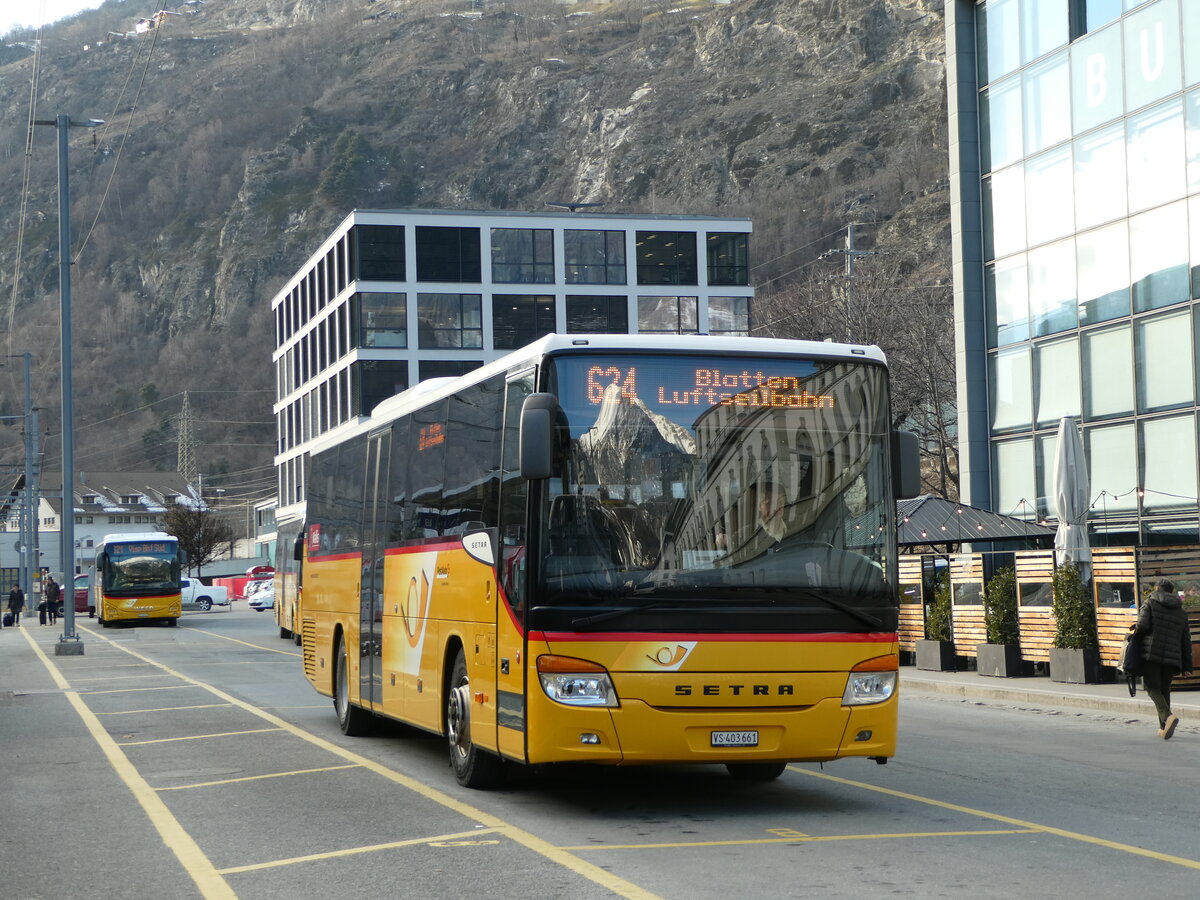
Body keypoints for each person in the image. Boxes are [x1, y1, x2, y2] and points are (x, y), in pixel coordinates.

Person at [1133, 580, 1194, 740]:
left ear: (1157, 589)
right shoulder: (1181, 612)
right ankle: (1164, 727)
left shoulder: (1150, 603)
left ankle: (1168, 717)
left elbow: (1142, 626)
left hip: (1151, 652)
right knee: (1164, 689)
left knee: (1151, 686)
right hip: (1173, 657)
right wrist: (1187, 666)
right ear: (1172, 591)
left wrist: (1134, 632)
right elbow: (1185, 641)